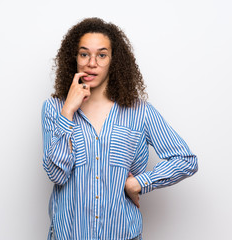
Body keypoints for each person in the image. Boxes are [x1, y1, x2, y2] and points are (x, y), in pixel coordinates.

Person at [41, 17, 198, 240]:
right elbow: (56, 174)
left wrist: (139, 183)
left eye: (102, 55)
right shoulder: (54, 109)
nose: (92, 63)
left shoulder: (140, 112)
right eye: (84, 54)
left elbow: (185, 160)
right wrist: (68, 111)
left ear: (114, 61)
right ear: (74, 58)